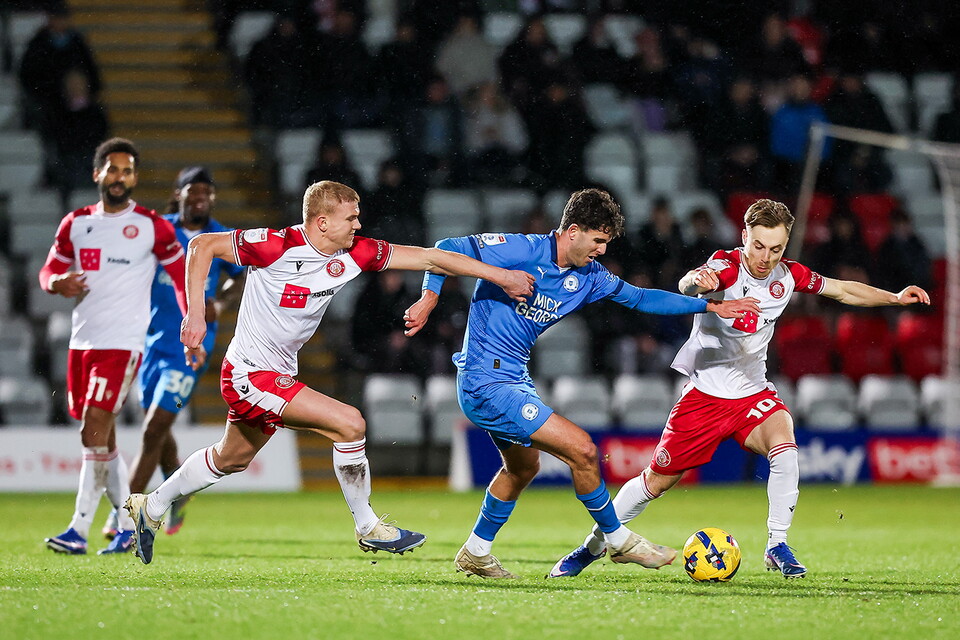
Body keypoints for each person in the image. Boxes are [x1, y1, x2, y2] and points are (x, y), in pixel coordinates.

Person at [123, 180, 536, 565]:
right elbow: (201, 245)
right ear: (322, 222)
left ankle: (152, 506)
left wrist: (498, 277)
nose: (359, 224)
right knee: (349, 423)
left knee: (230, 458)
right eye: (351, 218)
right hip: (249, 373)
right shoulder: (275, 245)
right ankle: (368, 526)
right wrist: (195, 313)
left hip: (278, 369)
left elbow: (431, 257)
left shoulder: (355, 254)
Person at [550, 198, 930, 579]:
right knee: (655, 482)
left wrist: (894, 297)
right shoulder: (726, 267)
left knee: (785, 446)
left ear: (786, 244)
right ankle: (592, 546)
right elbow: (689, 283)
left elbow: (842, 291)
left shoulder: (789, 275)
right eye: (759, 246)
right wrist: (700, 283)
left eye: (776, 248)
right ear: (744, 236)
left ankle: (776, 544)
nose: (766, 257)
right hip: (704, 397)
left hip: (753, 392)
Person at [403, 188, 760, 578]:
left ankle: (475, 550)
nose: (602, 251)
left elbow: (641, 298)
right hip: (484, 380)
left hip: (514, 379)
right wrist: (429, 298)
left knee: (522, 470)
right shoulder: (521, 249)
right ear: (572, 231)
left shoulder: (590, 276)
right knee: (584, 451)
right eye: (598, 240)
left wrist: (710, 306)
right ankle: (619, 541)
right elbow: (444, 247)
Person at [39, 137, 188, 555]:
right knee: (97, 442)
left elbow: (179, 275)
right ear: (97, 173)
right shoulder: (76, 222)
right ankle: (127, 524)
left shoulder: (151, 225)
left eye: (127, 170)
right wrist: (56, 282)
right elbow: (50, 269)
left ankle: (77, 530)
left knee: (94, 427)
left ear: (135, 178)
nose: (119, 177)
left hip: (122, 343)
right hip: (81, 341)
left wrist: (190, 320)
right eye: (112, 169)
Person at [101, 167, 245, 540]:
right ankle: (178, 490)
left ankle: (125, 521)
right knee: (159, 429)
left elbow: (241, 276)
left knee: (152, 430)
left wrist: (222, 303)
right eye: (194, 191)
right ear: (177, 193)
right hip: (150, 342)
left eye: (207, 193)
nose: (201, 198)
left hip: (192, 344)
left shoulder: (220, 237)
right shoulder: (158, 229)